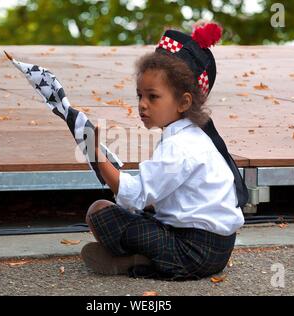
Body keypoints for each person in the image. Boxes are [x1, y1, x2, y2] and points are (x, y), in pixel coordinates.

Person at [81, 22, 246, 280]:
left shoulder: (180, 146)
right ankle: (140, 258)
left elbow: (136, 195)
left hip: (193, 253)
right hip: (216, 249)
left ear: (183, 102)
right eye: (139, 96)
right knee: (124, 212)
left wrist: (96, 156)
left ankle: (141, 260)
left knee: (100, 213)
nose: (142, 105)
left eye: (153, 97)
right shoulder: (192, 136)